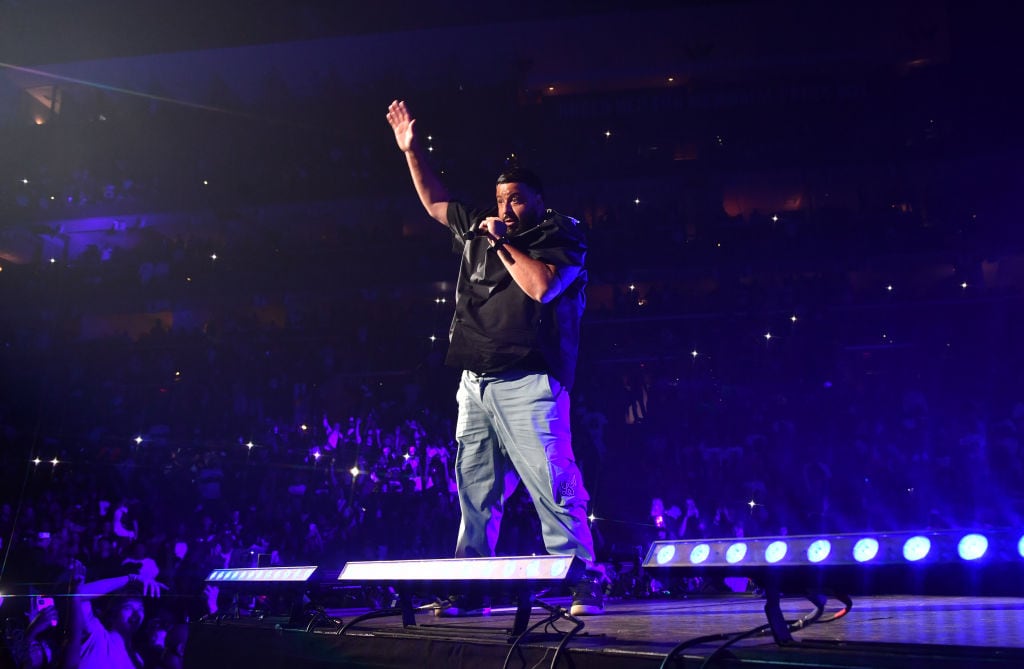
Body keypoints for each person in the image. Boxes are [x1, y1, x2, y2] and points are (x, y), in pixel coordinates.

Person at [386, 99, 603, 616]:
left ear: (538, 201)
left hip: (529, 381)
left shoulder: (559, 234)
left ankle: (582, 581)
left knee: (553, 481)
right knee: (475, 491)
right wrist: (411, 152)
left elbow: (542, 289)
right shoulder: (477, 227)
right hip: (474, 383)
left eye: (518, 200)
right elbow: (437, 202)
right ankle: (471, 588)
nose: (505, 208)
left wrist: (504, 243)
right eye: (500, 199)